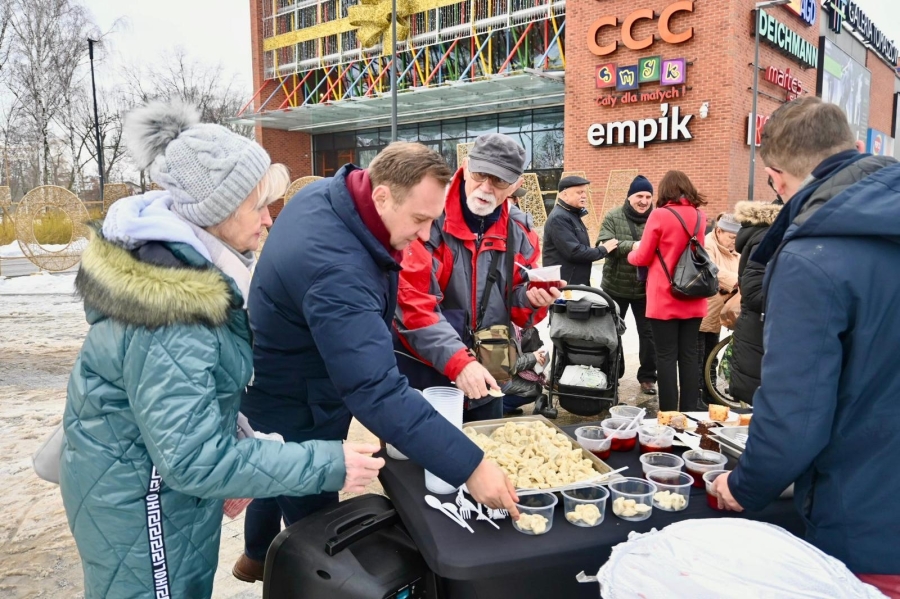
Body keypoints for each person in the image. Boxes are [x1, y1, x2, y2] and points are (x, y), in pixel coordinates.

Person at [58, 102, 383, 599]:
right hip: (142, 504)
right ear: (217, 211)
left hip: (147, 489)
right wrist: (328, 462)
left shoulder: (187, 276)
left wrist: (241, 434)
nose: (269, 219)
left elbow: (182, 402)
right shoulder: (174, 310)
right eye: (258, 206)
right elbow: (192, 459)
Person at [236, 142, 522, 581]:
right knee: (318, 530)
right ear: (383, 195)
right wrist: (472, 467)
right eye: (419, 220)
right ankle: (295, 579)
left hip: (287, 377)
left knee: (272, 468)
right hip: (298, 397)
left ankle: (256, 557)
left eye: (432, 220)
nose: (425, 236)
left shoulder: (330, 194)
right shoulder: (338, 270)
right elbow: (376, 391)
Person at [712, 97, 900, 593]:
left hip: (867, 525)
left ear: (776, 178)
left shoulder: (812, 257)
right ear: (854, 147)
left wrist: (744, 485)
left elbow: (795, 411)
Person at [393, 133, 561, 422]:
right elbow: (413, 304)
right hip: (421, 370)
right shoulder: (428, 218)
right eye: (480, 174)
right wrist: (459, 361)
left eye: (499, 181)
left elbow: (517, 309)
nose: (486, 187)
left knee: (483, 445)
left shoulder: (521, 232)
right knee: (418, 449)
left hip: (486, 374)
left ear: (516, 185)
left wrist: (532, 300)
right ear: (465, 166)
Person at [626, 170, 708, 413]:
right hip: (693, 294)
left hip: (665, 297)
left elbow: (642, 256)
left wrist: (631, 254)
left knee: (665, 357)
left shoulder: (660, 215)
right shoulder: (699, 215)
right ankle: (690, 413)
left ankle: (670, 415)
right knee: (689, 356)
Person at [598, 175, 658, 396]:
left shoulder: (657, 218)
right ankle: (612, 374)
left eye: (648, 196)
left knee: (649, 335)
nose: (644, 201)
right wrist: (634, 246)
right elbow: (604, 244)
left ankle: (648, 377)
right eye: (639, 196)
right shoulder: (613, 216)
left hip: (646, 289)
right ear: (629, 196)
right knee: (611, 334)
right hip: (615, 287)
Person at [729, 198, 783, 405]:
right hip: (759, 333)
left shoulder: (768, 235)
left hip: (758, 332)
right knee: (759, 406)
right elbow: (754, 291)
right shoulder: (767, 238)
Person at [542, 175, 618, 286]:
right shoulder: (559, 218)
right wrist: (602, 250)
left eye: (585, 192)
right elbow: (574, 252)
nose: (584, 196)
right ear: (564, 195)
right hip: (566, 285)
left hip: (574, 282)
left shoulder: (571, 214)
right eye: (579, 192)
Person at [697, 213, 740, 405]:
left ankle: (710, 394)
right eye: (731, 237)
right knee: (700, 357)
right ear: (719, 231)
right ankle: (698, 396)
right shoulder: (708, 244)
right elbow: (713, 270)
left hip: (719, 312)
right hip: (705, 311)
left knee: (711, 356)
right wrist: (738, 281)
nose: (734, 241)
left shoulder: (734, 250)